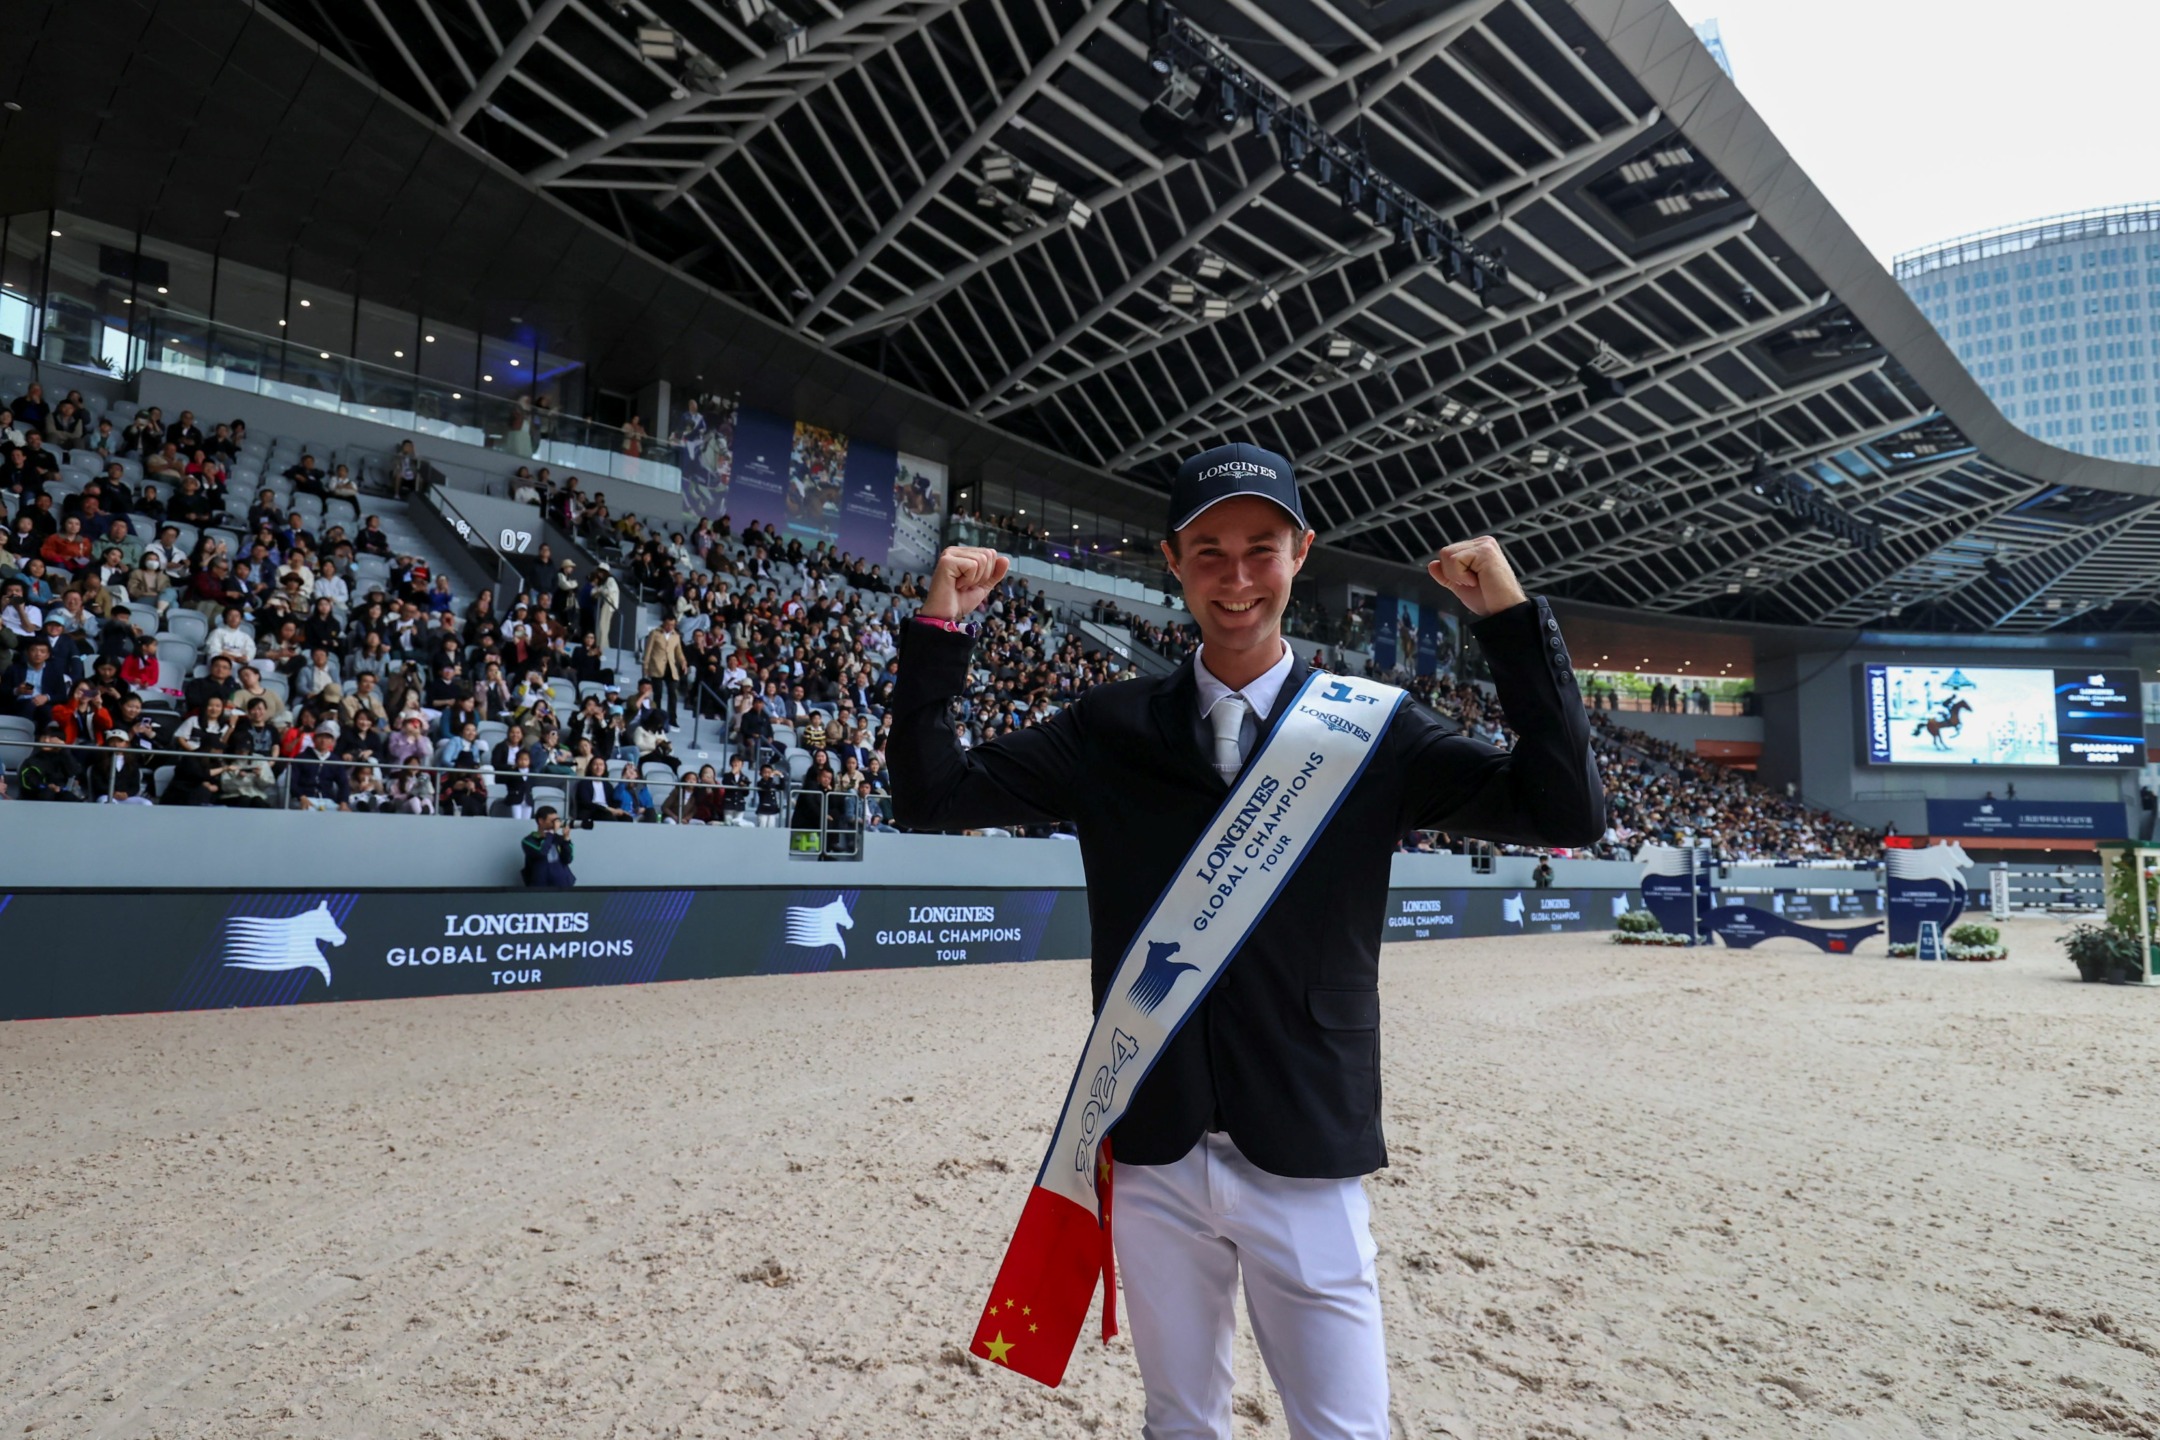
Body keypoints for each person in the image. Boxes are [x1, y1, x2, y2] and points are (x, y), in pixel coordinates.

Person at [889, 443, 1602, 1431]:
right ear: (1172, 561)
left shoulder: (1376, 731)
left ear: (1301, 553)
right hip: (1153, 1150)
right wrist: (939, 630)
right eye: (1210, 551)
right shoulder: (1108, 726)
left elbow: (1565, 811)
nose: (1236, 578)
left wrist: (1512, 627)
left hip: (1307, 1147)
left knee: (1344, 1428)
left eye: (1260, 549)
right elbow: (929, 796)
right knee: (1180, 1420)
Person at [521, 806, 578, 887]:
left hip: (563, 884)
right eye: (553, 821)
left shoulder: (558, 838)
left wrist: (566, 840)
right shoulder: (528, 841)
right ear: (541, 821)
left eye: (557, 820)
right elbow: (541, 852)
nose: (556, 823)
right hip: (541, 887)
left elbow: (568, 859)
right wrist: (550, 833)